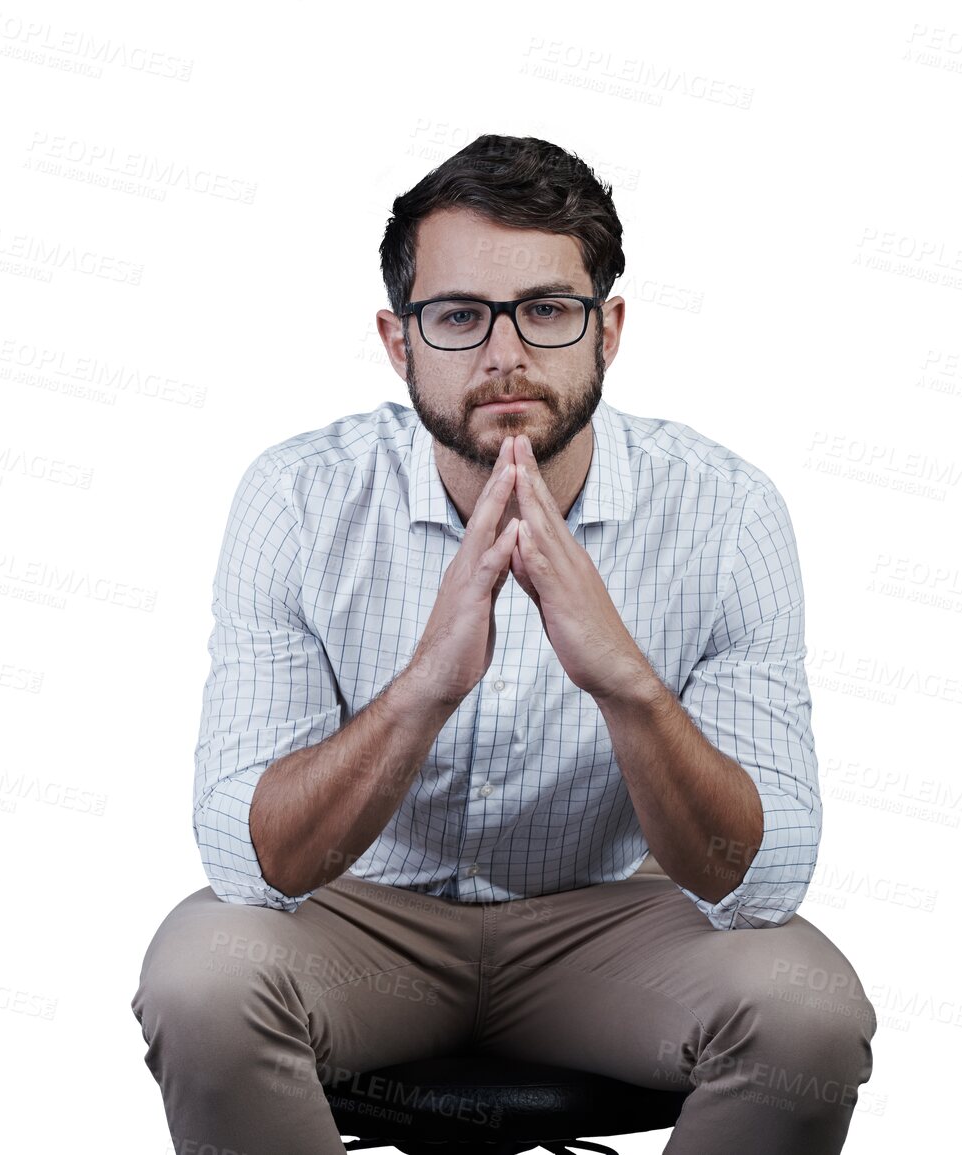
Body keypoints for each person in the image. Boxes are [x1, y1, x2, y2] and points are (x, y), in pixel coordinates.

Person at [133, 134, 877, 1154]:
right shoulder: (298, 498)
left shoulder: (726, 511)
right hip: (360, 925)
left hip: (611, 927)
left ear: (606, 330)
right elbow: (250, 864)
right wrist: (427, 686)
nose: (504, 353)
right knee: (200, 977)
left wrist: (626, 685)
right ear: (400, 343)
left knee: (810, 1015)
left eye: (545, 309)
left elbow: (764, 878)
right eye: (457, 316)